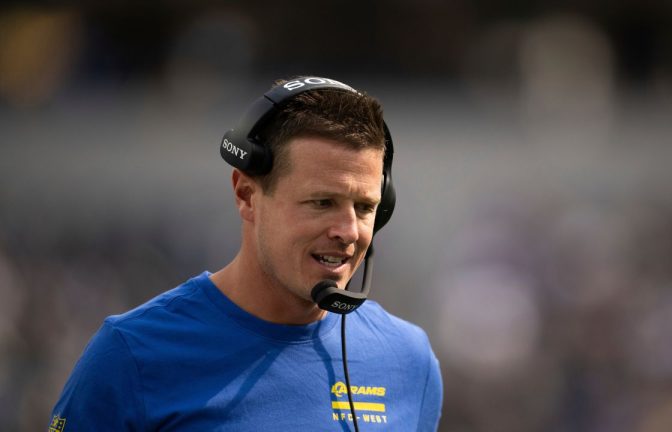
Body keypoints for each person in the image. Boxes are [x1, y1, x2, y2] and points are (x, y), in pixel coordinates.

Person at [49, 77, 443, 431]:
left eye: (364, 207)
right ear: (246, 195)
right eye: (322, 202)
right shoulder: (129, 355)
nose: (349, 231)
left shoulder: (410, 360)